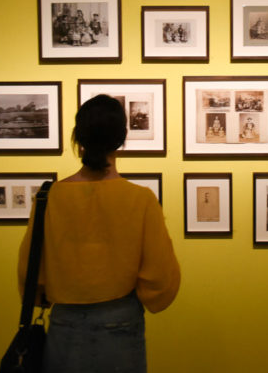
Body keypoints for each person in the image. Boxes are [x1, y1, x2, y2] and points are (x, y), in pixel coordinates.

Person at [17, 94, 180, 373]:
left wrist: (42, 296)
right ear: (121, 139)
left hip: (63, 321)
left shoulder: (49, 197)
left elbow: (30, 270)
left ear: (78, 137)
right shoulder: (140, 199)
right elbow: (161, 276)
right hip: (120, 319)